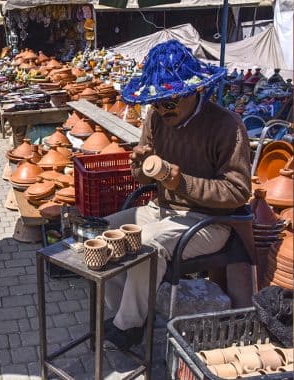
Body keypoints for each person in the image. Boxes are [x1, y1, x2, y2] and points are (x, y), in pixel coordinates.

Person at [102, 40, 252, 350]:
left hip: (210, 222)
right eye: (156, 101)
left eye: (169, 101)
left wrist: (179, 181)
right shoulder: (155, 119)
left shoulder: (226, 126)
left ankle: (128, 326)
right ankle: (120, 314)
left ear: (194, 90)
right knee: (105, 230)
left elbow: (238, 190)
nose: (161, 109)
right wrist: (140, 168)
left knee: (146, 244)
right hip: (163, 209)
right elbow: (145, 173)